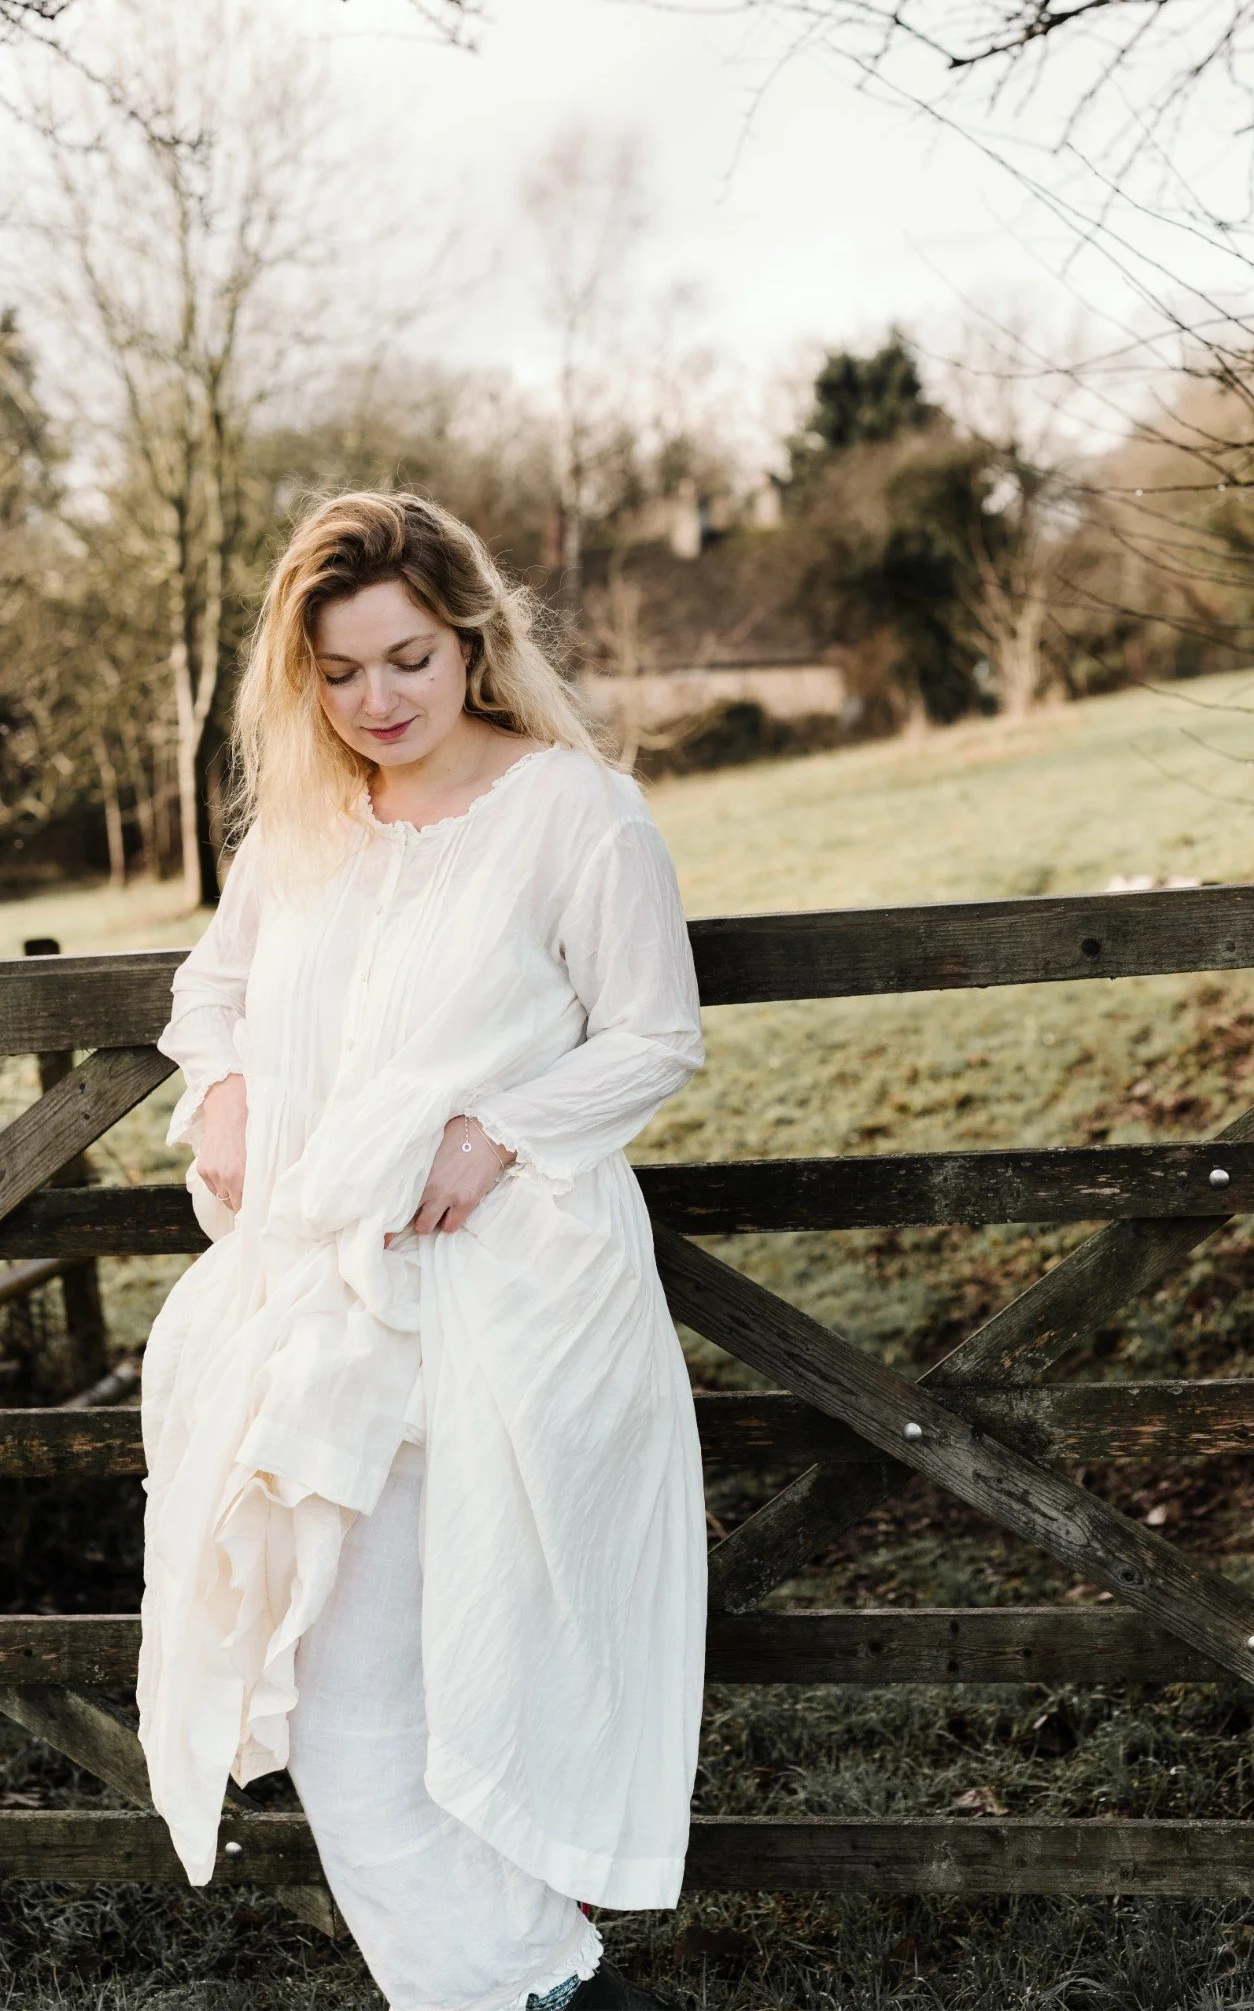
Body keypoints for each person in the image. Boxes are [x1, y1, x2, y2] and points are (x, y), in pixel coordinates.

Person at [136, 491, 708, 2011]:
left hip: (517, 1312)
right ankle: (539, 1987)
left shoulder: (576, 811)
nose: (375, 703)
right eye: (338, 672)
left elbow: (657, 1034)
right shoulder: (308, 827)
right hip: (334, 1316)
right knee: (351, 1722)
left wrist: (500, 1126)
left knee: (470, 1704)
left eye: (405, 660)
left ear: (472, 639)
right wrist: (230, 1089)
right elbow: (212, 995)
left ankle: (528, 1983)